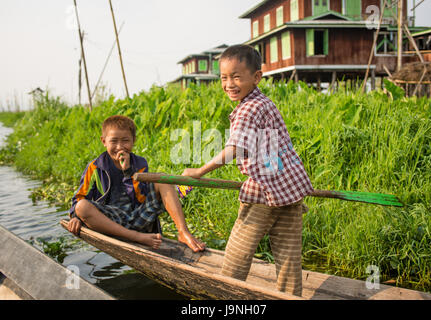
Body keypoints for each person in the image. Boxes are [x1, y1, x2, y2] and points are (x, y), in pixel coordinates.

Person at [182, 44, 313, 296]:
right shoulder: (264, 102)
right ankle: (290, 296)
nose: (229, 84)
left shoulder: (248, 109)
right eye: (224, 78)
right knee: (288, 260)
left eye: (236, 77)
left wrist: (199, 171)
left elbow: (236, 149)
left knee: (237, 254)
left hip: (264, 191)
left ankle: (225, 297)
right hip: (291, 190)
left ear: (256, 77)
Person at [67, 115, 205, 253]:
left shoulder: (140, 163)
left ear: (133, 141)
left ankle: (183, 232)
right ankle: (137, 237)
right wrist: (76, 217)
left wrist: (128, 172)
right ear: (104, 141)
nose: (119, 147)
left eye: (125, 141)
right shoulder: (95, 166)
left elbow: (140, 198)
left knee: (163, 179)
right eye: (113, 141)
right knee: (82, 207)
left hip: (139, 215)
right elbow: (79, 196)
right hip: (111, 219)